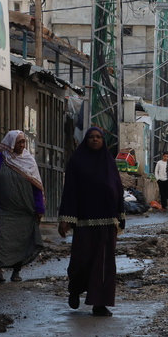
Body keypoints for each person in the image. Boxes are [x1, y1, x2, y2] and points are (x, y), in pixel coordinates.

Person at [57, 127, 125, 317]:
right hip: (85, 223)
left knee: (104, 265)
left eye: (98, 137)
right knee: (82, 261)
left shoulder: (109, 163)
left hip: (107, 222)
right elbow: (70, 191)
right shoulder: (77, 162)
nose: (95, 140)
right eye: (91, 137)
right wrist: (65, 219)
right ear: (85, 140)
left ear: (103, 141)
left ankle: (99, 303)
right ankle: (75, 289)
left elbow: (117, 190)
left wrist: (121, 216)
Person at [0, 130, 45, 283]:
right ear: (10, 143)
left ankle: (16, 272)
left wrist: (39, 208)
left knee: (21, 241)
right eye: (19, 142)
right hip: (2, 209)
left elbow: (37, 187)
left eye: (23, 142)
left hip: (24, 211)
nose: (22, 145)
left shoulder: (29, 161)